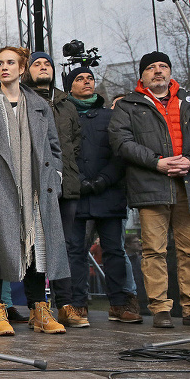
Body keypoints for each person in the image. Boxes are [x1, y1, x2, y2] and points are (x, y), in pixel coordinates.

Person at [109, 52, 190, 328]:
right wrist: (156, 163)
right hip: (150, 185)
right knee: (153, 251)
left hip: (189, 183)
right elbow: (121, 142)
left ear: (170, 71)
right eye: (151, 68)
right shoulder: (128, 106)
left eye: (163, 66)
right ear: (142, 75)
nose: (158, 71)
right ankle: (160, 309)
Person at [0, 46, 69, 336]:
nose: (4, 67)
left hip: (36, 188)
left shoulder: (38, 104)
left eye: (10, 63)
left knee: (36, 250)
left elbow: (54, 147)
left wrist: (55, 177)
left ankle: (40, 310)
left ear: (22, 68)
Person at [63, 66, 140, 323]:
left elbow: (122, 152)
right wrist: (80, 181)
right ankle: (77, 304)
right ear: (69, 86)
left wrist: (103, 180)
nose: (86, 82)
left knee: (114, 250)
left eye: (90, 78)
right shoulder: (61, 116)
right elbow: (60, 152)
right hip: (75, 193)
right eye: (79, 78)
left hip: (109, 192)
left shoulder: (112, 116)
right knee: (74, 250)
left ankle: (120, 303)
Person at [25, 51, 83, 327]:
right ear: (28, 71)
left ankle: (66, 304)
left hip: (65, 183)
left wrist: (65, 173)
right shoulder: (22, 99)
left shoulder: (66, 104)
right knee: (36, 247)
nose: (43, 67)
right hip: (35, 185)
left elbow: (75, 144)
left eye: (47, 63)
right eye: (37, 64)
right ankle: (37, 307)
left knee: (65, 246)